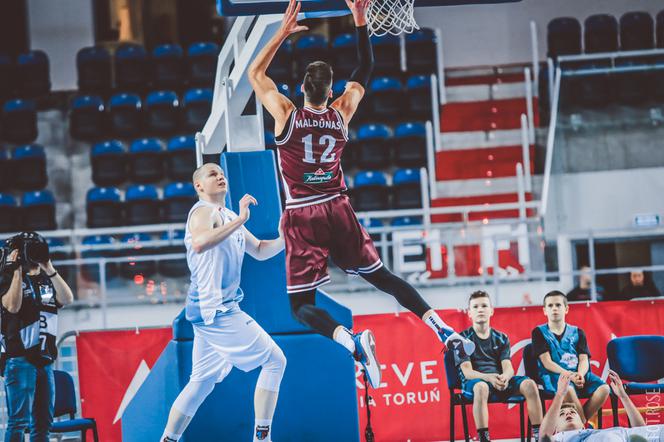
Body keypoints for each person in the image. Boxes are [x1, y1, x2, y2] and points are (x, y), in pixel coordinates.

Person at [247, 0, 475, 389]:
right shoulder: (341, 113)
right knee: (384, 277)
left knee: (301, 307)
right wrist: (359, 19)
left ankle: (351, 342)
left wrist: (282, 32)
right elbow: (364, 69)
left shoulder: (286, 113)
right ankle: (441, 328)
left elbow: (255, 72)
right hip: (339, 207)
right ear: (332, 90)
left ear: (302, 88)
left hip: (303, 214)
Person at [161, 163, 287, 442]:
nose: (219, 176)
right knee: (275, 360)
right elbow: (200, 242)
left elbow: (261, 251)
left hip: (213, 309)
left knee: (202, 382)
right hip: (215, 308)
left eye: (221, 173)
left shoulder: (228, 215)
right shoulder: (202, 212)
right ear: (199, 186)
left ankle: (168, 439)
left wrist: (284, 237)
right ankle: (262, 438)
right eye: (211, 174)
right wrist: (241, 219)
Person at [0, 231, 75, 442]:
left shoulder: (46, 279)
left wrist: (48, 266)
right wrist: (15, 271)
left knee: (43, 424)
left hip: (45, 358)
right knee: (18, 422)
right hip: (19, 358)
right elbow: (12, 307)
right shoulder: (5, 278)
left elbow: (67, 298)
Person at [457, 291, 543, 442]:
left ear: (491, 310)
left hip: (497, 380)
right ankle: (484, 438)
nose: (480, 309)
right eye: (476, 307)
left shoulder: (501, 338)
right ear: (469, 313)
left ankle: (540, 436)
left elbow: (507, 366)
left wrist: (505, 377)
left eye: (484, 305)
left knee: (530, 385)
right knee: (481, 387)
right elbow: (467, 372)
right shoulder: (462, 339)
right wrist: (489, 378)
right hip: (476, 382)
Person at [531, 291, 610, 424]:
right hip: (555, 375)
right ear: (544, 311)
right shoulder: (539, 332)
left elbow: (584, 359)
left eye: (558, 305)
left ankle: (580, 423)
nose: (554, 308)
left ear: (566, 309)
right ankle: (583, 426)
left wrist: (580, 374)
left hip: (579, 373)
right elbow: (547, 362)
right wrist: (569, 375)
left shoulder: (578, 332)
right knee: (567, 388)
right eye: (550, 306)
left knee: (604, 389)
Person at [540, 370, 664, 441]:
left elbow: (641, 430)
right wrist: (560, 394)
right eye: (562, 414)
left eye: (573, 412)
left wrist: (623, 396)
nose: (568, 413)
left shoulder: (593, 433)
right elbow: (544, 436)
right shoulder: (559, 438)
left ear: (583, 426)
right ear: (556, 430)